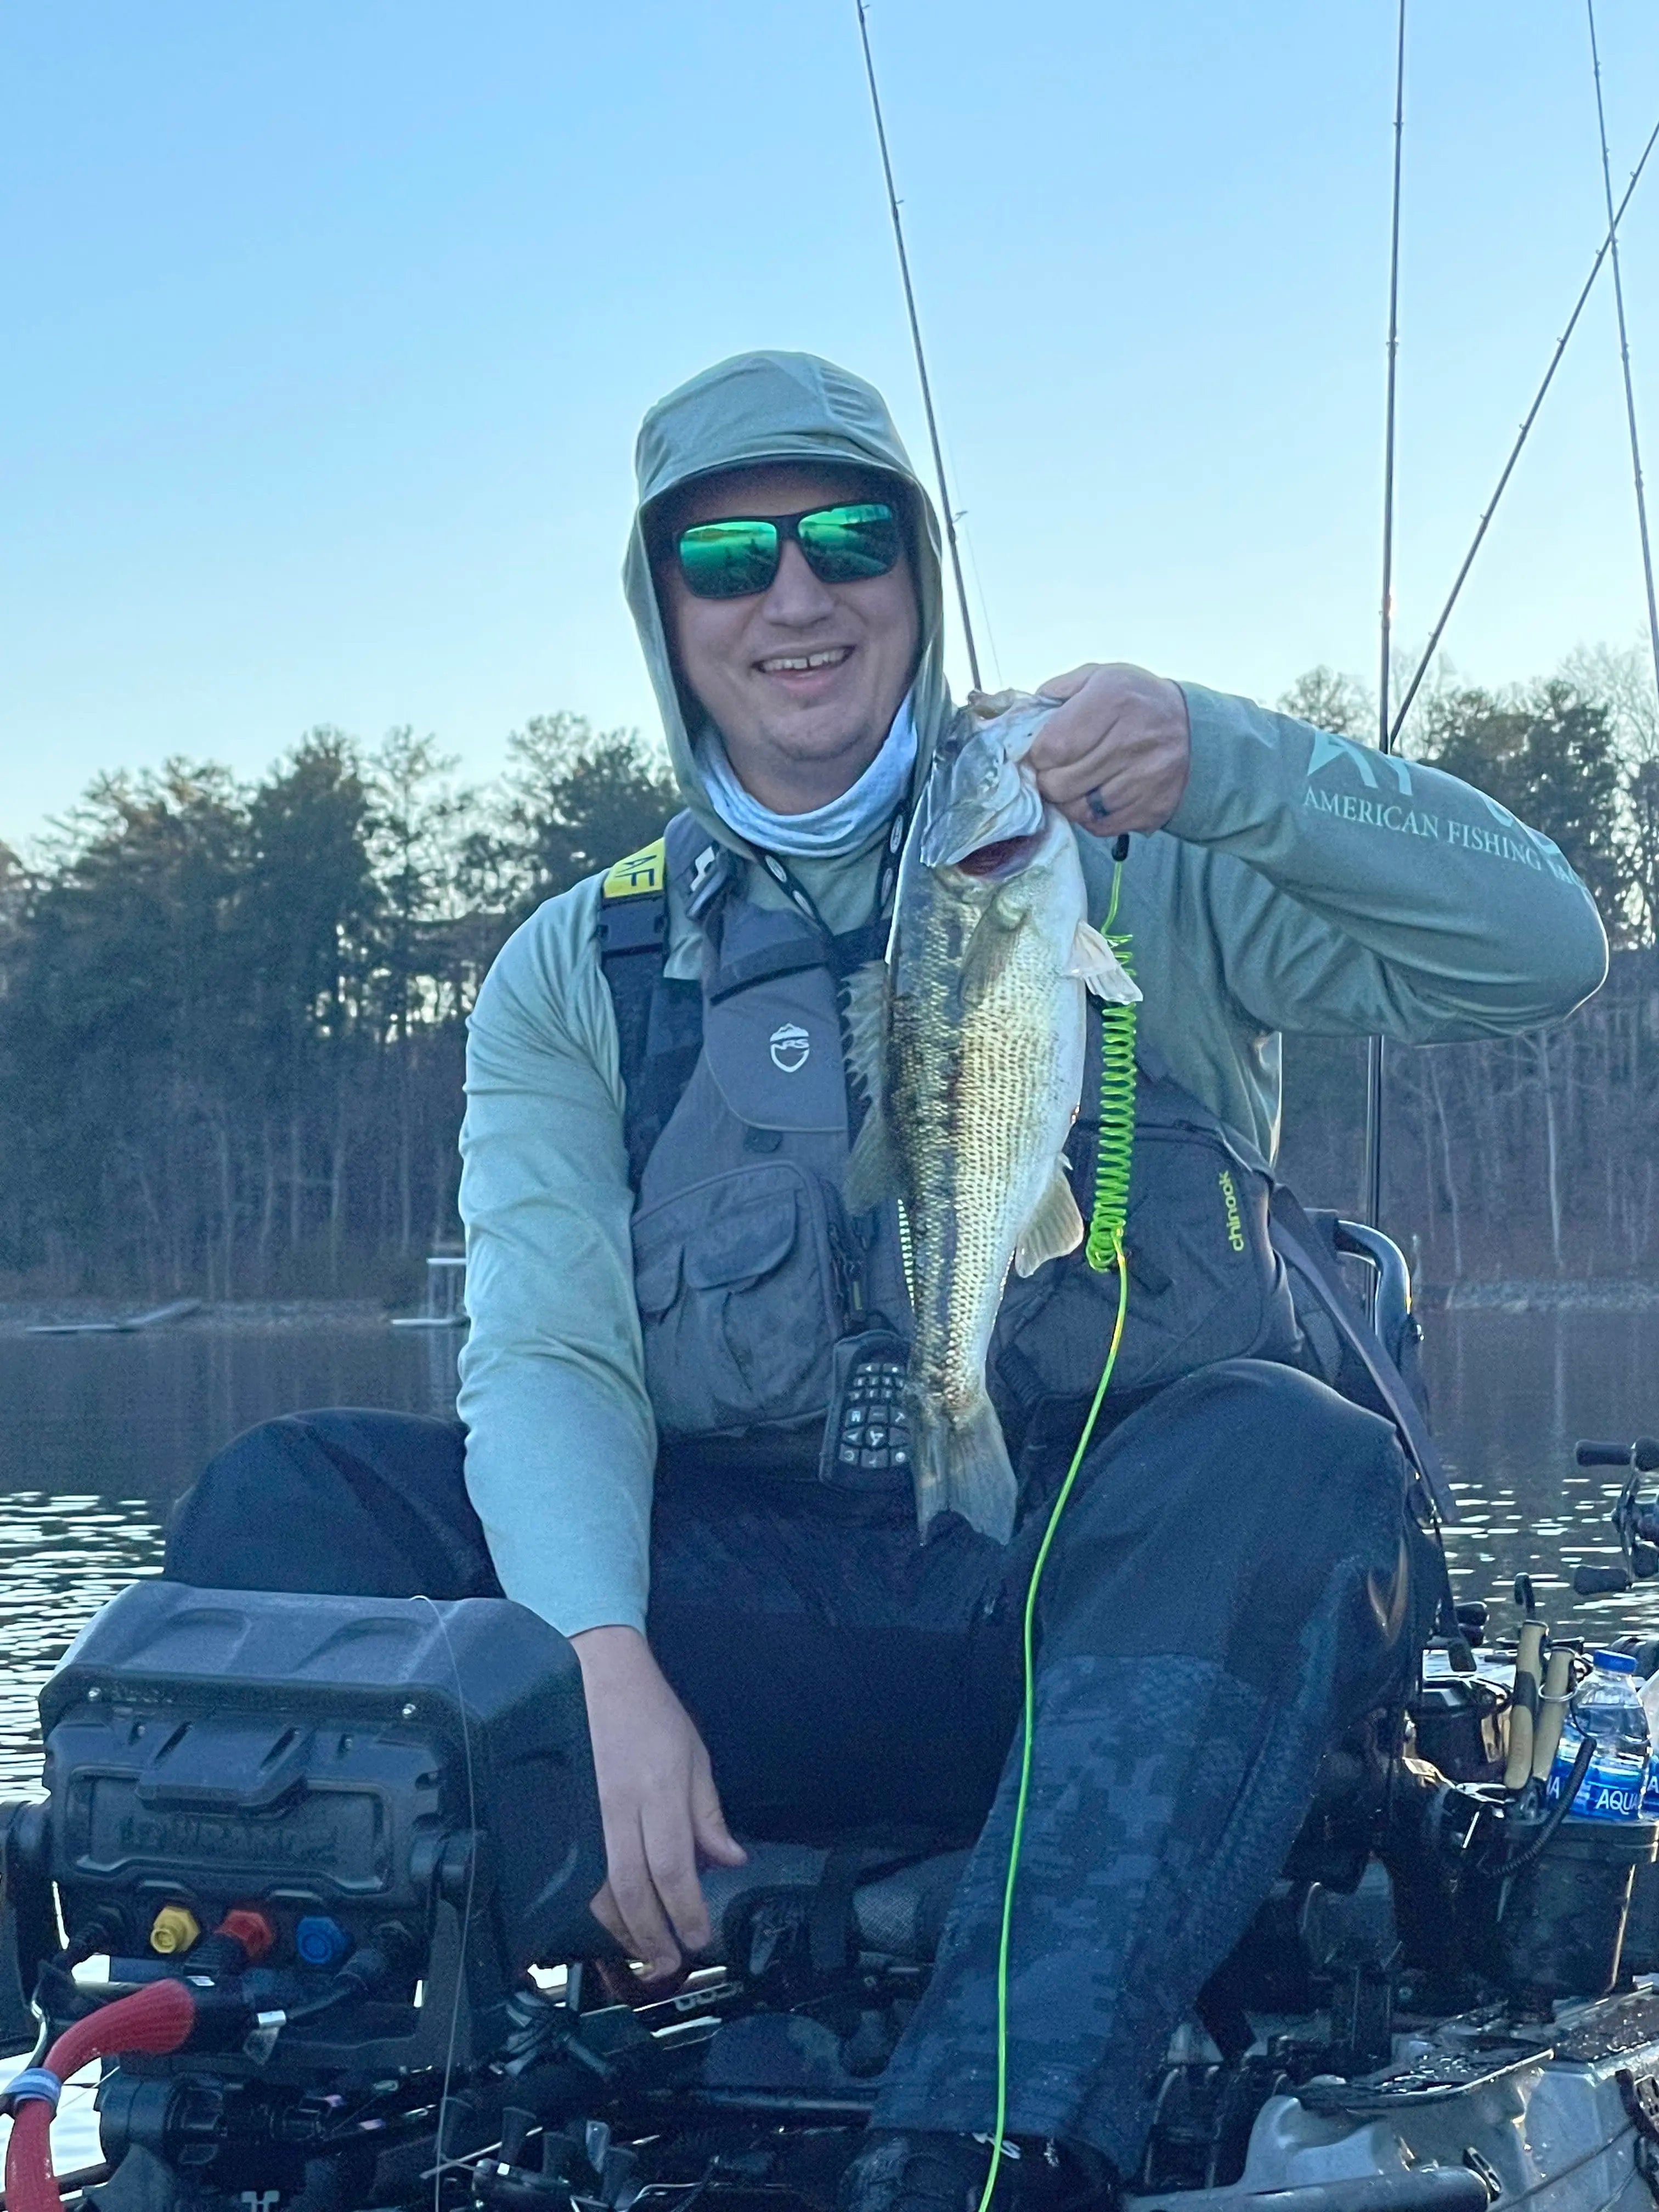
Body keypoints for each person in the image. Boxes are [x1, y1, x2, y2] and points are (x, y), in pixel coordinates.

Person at [169, 351, 1607, 2207]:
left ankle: (976, 2147)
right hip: (740, 1625)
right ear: (663, 613)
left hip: (1099, 1627)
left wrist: (1236, 757)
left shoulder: (1128, 854)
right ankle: (335, 2099)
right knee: (287, 1504)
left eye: (850, 539)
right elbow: (545, 1357)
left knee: (1293, 1451)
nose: (797, 594)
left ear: (918, 581)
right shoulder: (571, 968)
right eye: (728, 557)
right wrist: (594, 1671)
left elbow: (1544, 951)